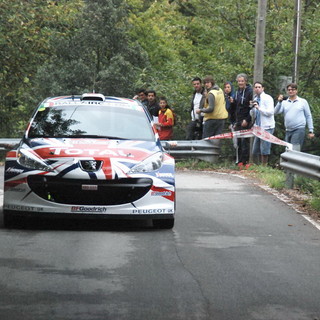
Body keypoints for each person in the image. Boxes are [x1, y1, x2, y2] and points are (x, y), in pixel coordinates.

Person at [274, 83, 314, 148]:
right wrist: (279, 102)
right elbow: (275, 112)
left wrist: (311, 130)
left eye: (292, 89)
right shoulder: (284, 102)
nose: (290, 91)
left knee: (294, 149)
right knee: (288, 150)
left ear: (296, 91)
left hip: (298, 129)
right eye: (289, 90)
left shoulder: (302, 101)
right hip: (288, 130)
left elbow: (308, 116)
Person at [229, 73, 253, 167]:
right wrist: (233, 102)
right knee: (238, 141)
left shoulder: (250, 91)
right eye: (239, 81)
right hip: (238, 120)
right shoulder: (237, 91)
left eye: (242, 81)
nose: (240, 83)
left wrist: (247, 119)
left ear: (246, 81)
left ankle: (246, 161)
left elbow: (251, 108)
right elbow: (236, 107)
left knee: (245, 141)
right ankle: (239, 161)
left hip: (246, 119)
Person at [251, 82, 275, 165]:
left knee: (264, 149)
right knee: (255, 150)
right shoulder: (255, 98)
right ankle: (256, 167)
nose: (257, 89)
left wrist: (259, 108)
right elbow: (254, 114)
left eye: (259, 87)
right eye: (256, 87)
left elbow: (270, 112)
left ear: (263, 88)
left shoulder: (267, 98)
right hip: (258, 126)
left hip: (267, 126)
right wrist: (252, 108)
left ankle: (264, 167)